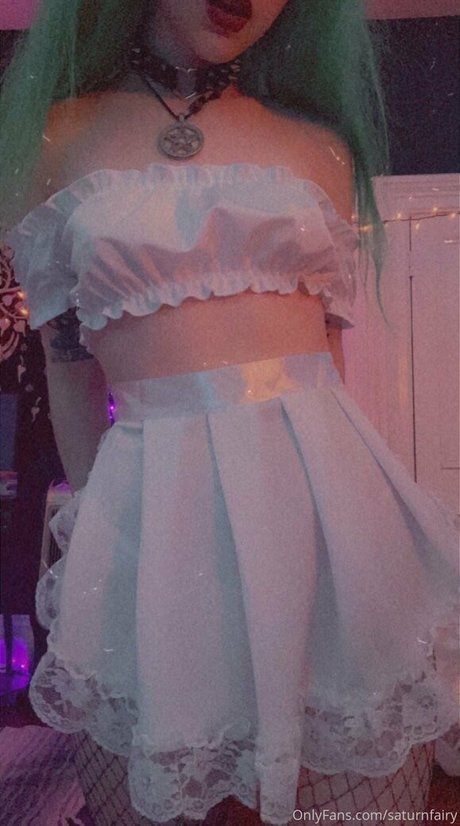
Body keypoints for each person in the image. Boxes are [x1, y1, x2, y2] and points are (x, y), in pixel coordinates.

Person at [0, 1, 458, 824]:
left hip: (326, 521)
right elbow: (68, 368)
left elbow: (329, 365)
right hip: (154, 524)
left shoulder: (319, 146)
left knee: (359, 779)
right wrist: (104, 541)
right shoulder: (56, 138)